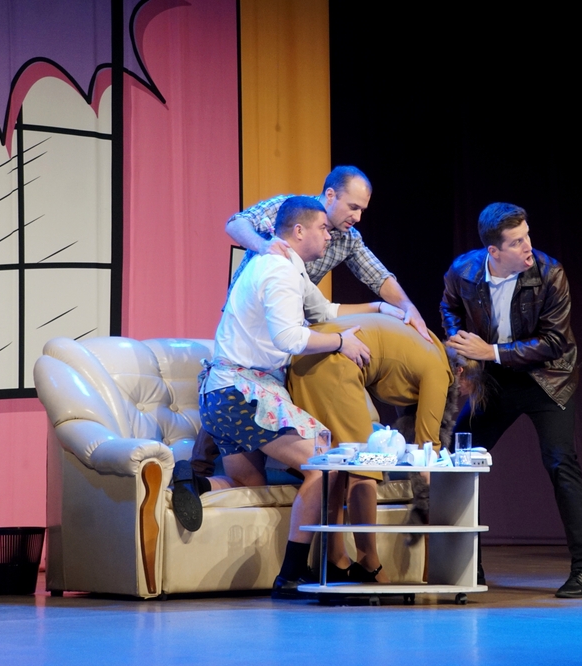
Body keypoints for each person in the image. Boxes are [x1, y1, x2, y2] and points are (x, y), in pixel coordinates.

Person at [180, 196, 404, 598]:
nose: (329, 236)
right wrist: (340, 343)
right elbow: (289, 337)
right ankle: (292, 574)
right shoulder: (279, 270)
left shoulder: (289, 267)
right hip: (243, 392)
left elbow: (325, 309)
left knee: (245, 480)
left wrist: (379, 308)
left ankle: (193, 483)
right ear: (298, 231)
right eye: (322, 229)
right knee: (325, 461)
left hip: (221, 393)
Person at [441, 202, 582, 599]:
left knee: (561, 461)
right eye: (516, 242)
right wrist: (461, 349)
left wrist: (490, 352)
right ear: (493, 251)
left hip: (547, 378)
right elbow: (450, 307)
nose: (528, 246)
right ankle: (467, 567)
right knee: (458, 460)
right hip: (496, 380)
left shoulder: (549, 273)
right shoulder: (464, 271)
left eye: (527, 236)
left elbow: (554, 341)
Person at [285, 314, 484, 583]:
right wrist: (435, 500)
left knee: (336, 466)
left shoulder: (426, 347)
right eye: (463, 391)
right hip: (333, 363)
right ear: (460, 373)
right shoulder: (440, 371)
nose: (458, 396)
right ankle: (369, 562)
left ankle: (336, 559)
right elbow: (426, 449)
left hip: (307, 357)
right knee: (366, 467)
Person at [225, 165, 430, 341]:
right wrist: (263, 245)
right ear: (331, 195)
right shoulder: (290, 208)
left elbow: (378, 277)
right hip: (248, 319)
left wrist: (408, 307)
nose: (358, 217)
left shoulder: (348, 238)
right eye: (353, 207)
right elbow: (236, 223)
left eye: (362, 210)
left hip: (289, 324)